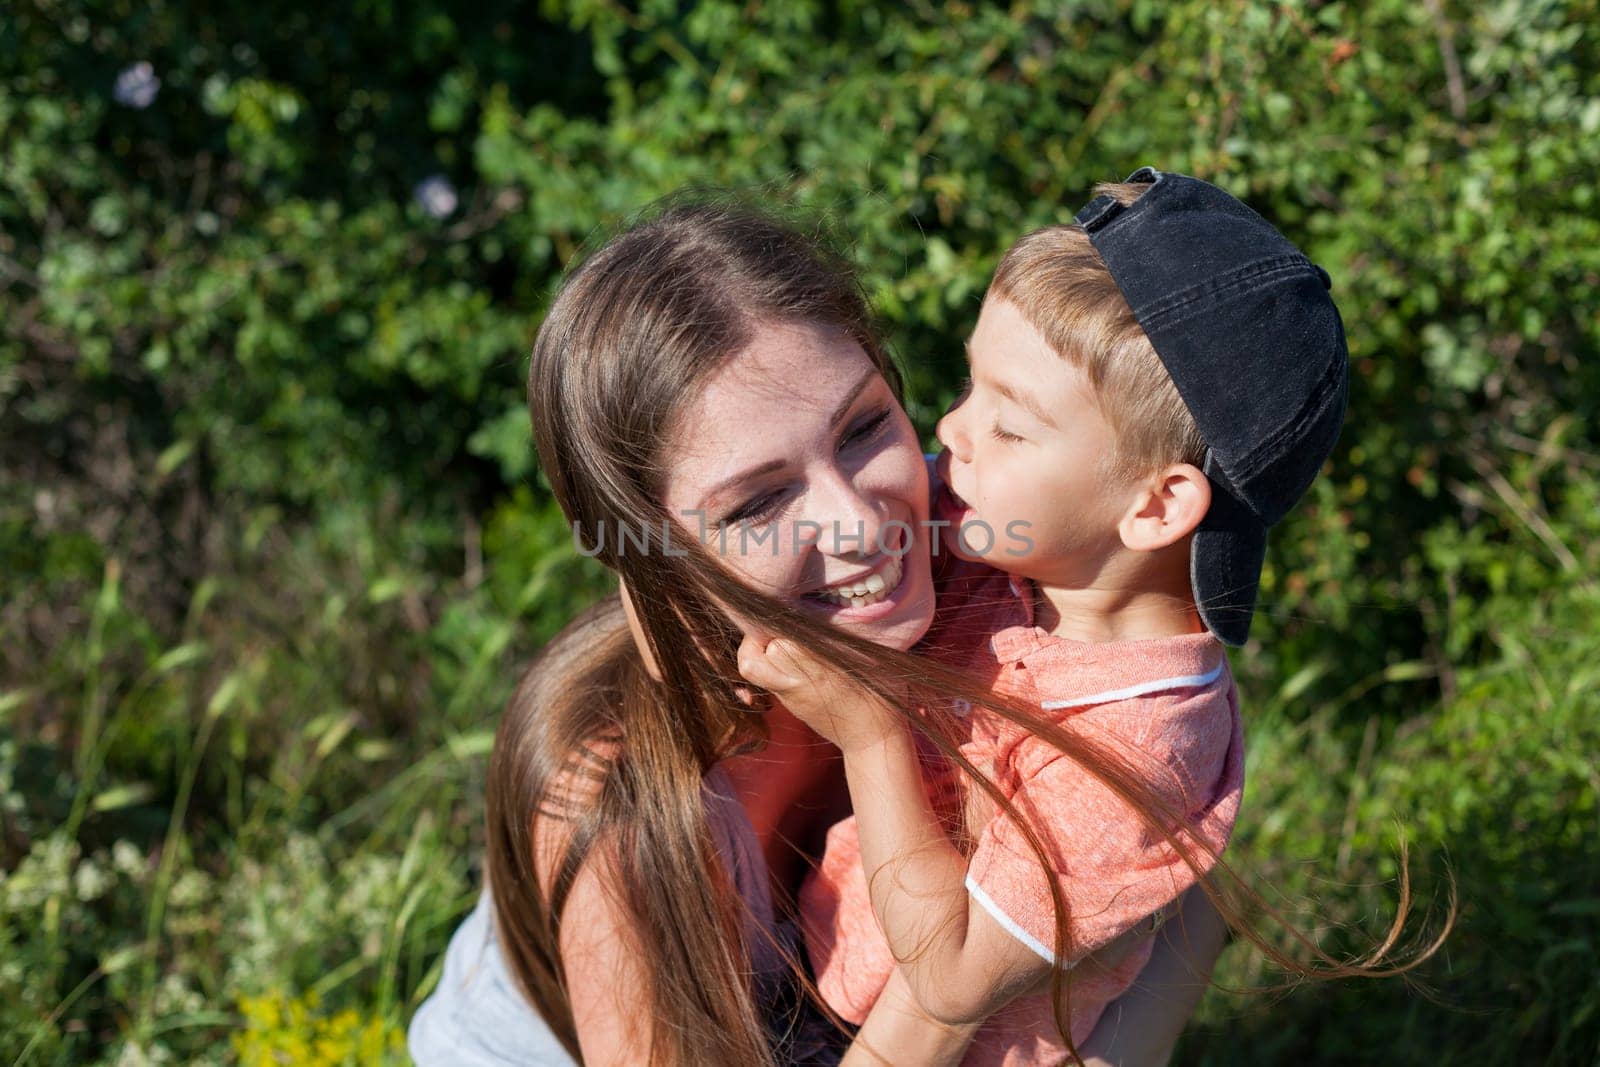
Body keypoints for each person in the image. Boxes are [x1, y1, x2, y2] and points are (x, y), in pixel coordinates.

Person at [409, 199, 1232, 1066]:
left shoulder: (982, 541)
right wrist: (966, 991)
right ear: (655, 554)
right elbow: (947, 999)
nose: (859, 524)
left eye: (865, 427)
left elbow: (1171, 771)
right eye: (759, 501)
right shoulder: (610, 796)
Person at [737, 169, 1434, 1064]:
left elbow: (950, 984)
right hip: (814, 970)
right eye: (968, 384)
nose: (951, 427)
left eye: (1012, 426)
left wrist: (872, 736)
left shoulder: (1137, 750)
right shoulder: (1024, 539)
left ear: (1153, 507)